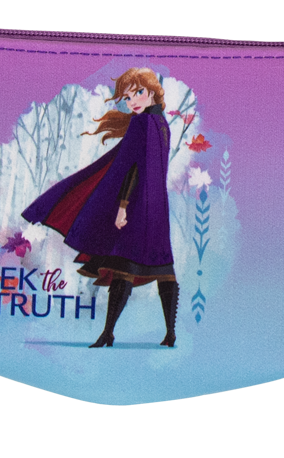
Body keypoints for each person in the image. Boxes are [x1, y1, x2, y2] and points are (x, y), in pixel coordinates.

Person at [22, 68, 178, 348]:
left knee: (124, 267)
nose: (132, 102)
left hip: (137, 206)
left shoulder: (142, 123)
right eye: (127, 98)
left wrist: (122, 207)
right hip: (157, 209)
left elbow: (132, 169)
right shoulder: (162, 124)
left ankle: (108, 333)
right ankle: (169, 334)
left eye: (138, 93)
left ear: (153, 92)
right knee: (162, 269)